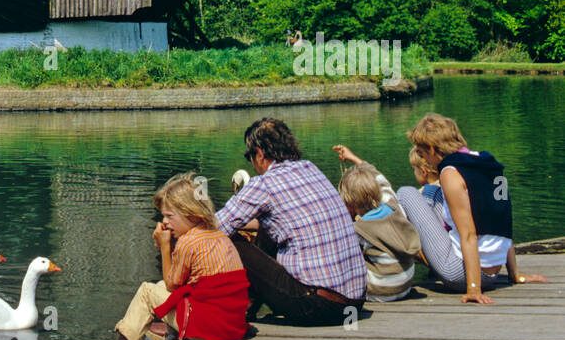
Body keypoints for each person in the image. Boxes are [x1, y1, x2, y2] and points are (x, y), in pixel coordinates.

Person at [216, 118, 366, 325]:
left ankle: (234, 310)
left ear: (259, 154)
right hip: (354, 304)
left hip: (319, 307)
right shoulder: (310, 168)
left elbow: (214, 228)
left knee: (230, 244)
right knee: (267, 230)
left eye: (250, 156)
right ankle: (248, 308)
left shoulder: (264, 184)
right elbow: (287, 221)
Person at [397, 112, 548, 305]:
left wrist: (473, 288)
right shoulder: (489, 163)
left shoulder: (450, 173)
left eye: (421, 153)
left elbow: (469, 234)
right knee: (431, 193)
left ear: (433, 149)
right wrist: (514, 274)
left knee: (407, 192)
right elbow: (503, 219)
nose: (423, 158)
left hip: (458, 273)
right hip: (494, 272)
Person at [109, 172, 249, 340]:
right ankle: (169, 334)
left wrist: (165, 246)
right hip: (232, 328)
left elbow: (172, 284)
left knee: (147, 291)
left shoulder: (188, 242)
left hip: (208, 330)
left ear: (192, 214)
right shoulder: (221, 236)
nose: (165, 222)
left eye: (169, 216)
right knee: (166, 288)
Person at [337, 160, 421, 302]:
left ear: (350, 203)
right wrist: (356, 160)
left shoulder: (360, 230)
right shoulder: (394, 206)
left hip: (381, 291)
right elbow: (383, 183)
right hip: (405, 285)